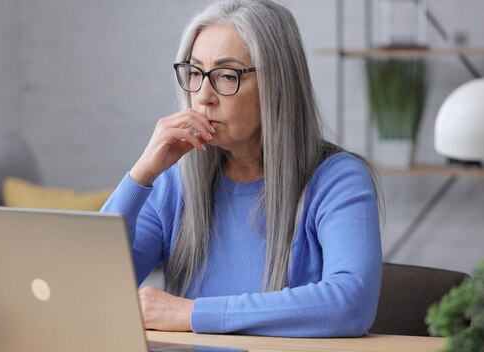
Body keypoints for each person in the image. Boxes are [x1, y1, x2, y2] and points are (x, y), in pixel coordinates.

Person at [101, 0, 382, 337]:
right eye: (194, 72)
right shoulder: (174, 183)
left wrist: (192, 313)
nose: (203, 96)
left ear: (277, 85)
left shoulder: (338, 180)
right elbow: (91, 291)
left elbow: (350, 304)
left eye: (226, 75)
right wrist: (140, 176)